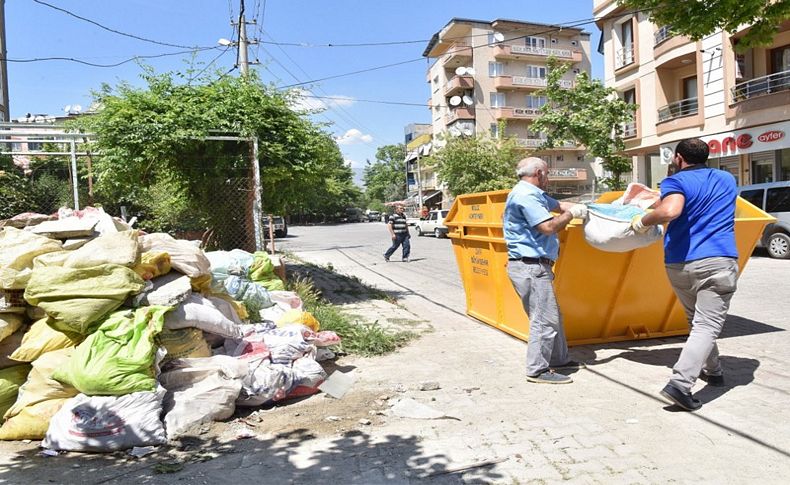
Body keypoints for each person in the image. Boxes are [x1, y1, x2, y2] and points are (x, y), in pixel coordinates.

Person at [631, 138, 738, 411]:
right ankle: (680, 384)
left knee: (698, 322)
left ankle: (714, 371)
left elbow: (670, 210)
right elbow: (676, 207)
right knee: (706, 324)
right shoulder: (727, 178)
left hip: (680, 264)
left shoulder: (675, 181)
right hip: (717, 261)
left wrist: (641, 221)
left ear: (678, 158)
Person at [504, 157, 588, 384]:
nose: (549, 179)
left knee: (553, 317)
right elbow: (548, 227)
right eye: (548, 174)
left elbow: (560, 206)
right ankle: (537, 369)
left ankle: (559, 359)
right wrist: (572, 215)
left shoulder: (534, 194)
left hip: (535, 266)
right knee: (543, 320)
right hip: (531, 266)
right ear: (539, 173)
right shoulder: (525, 196)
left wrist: (590, 208)